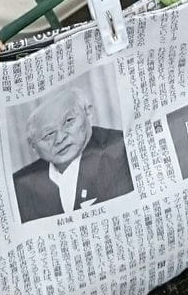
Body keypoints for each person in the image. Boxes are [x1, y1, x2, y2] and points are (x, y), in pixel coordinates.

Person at [12, 87, 133, 222]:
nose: (60, 139)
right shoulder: (19, 186)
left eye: (68, 121)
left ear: (88, 112)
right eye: (48, 134)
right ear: (33, 146)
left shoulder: (124, 149)